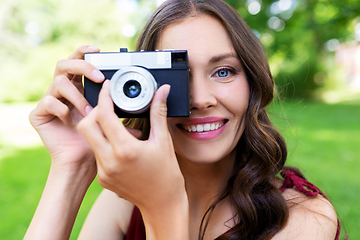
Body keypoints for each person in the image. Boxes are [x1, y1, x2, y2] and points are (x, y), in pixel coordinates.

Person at [24, 0, 341, 239]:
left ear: (253, 83)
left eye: (223, 71)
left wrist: (161, 207)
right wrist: (72, 164)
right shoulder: (123, 202)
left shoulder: (303, 218)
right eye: (178, 75)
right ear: (138, 88)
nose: (201, 99)